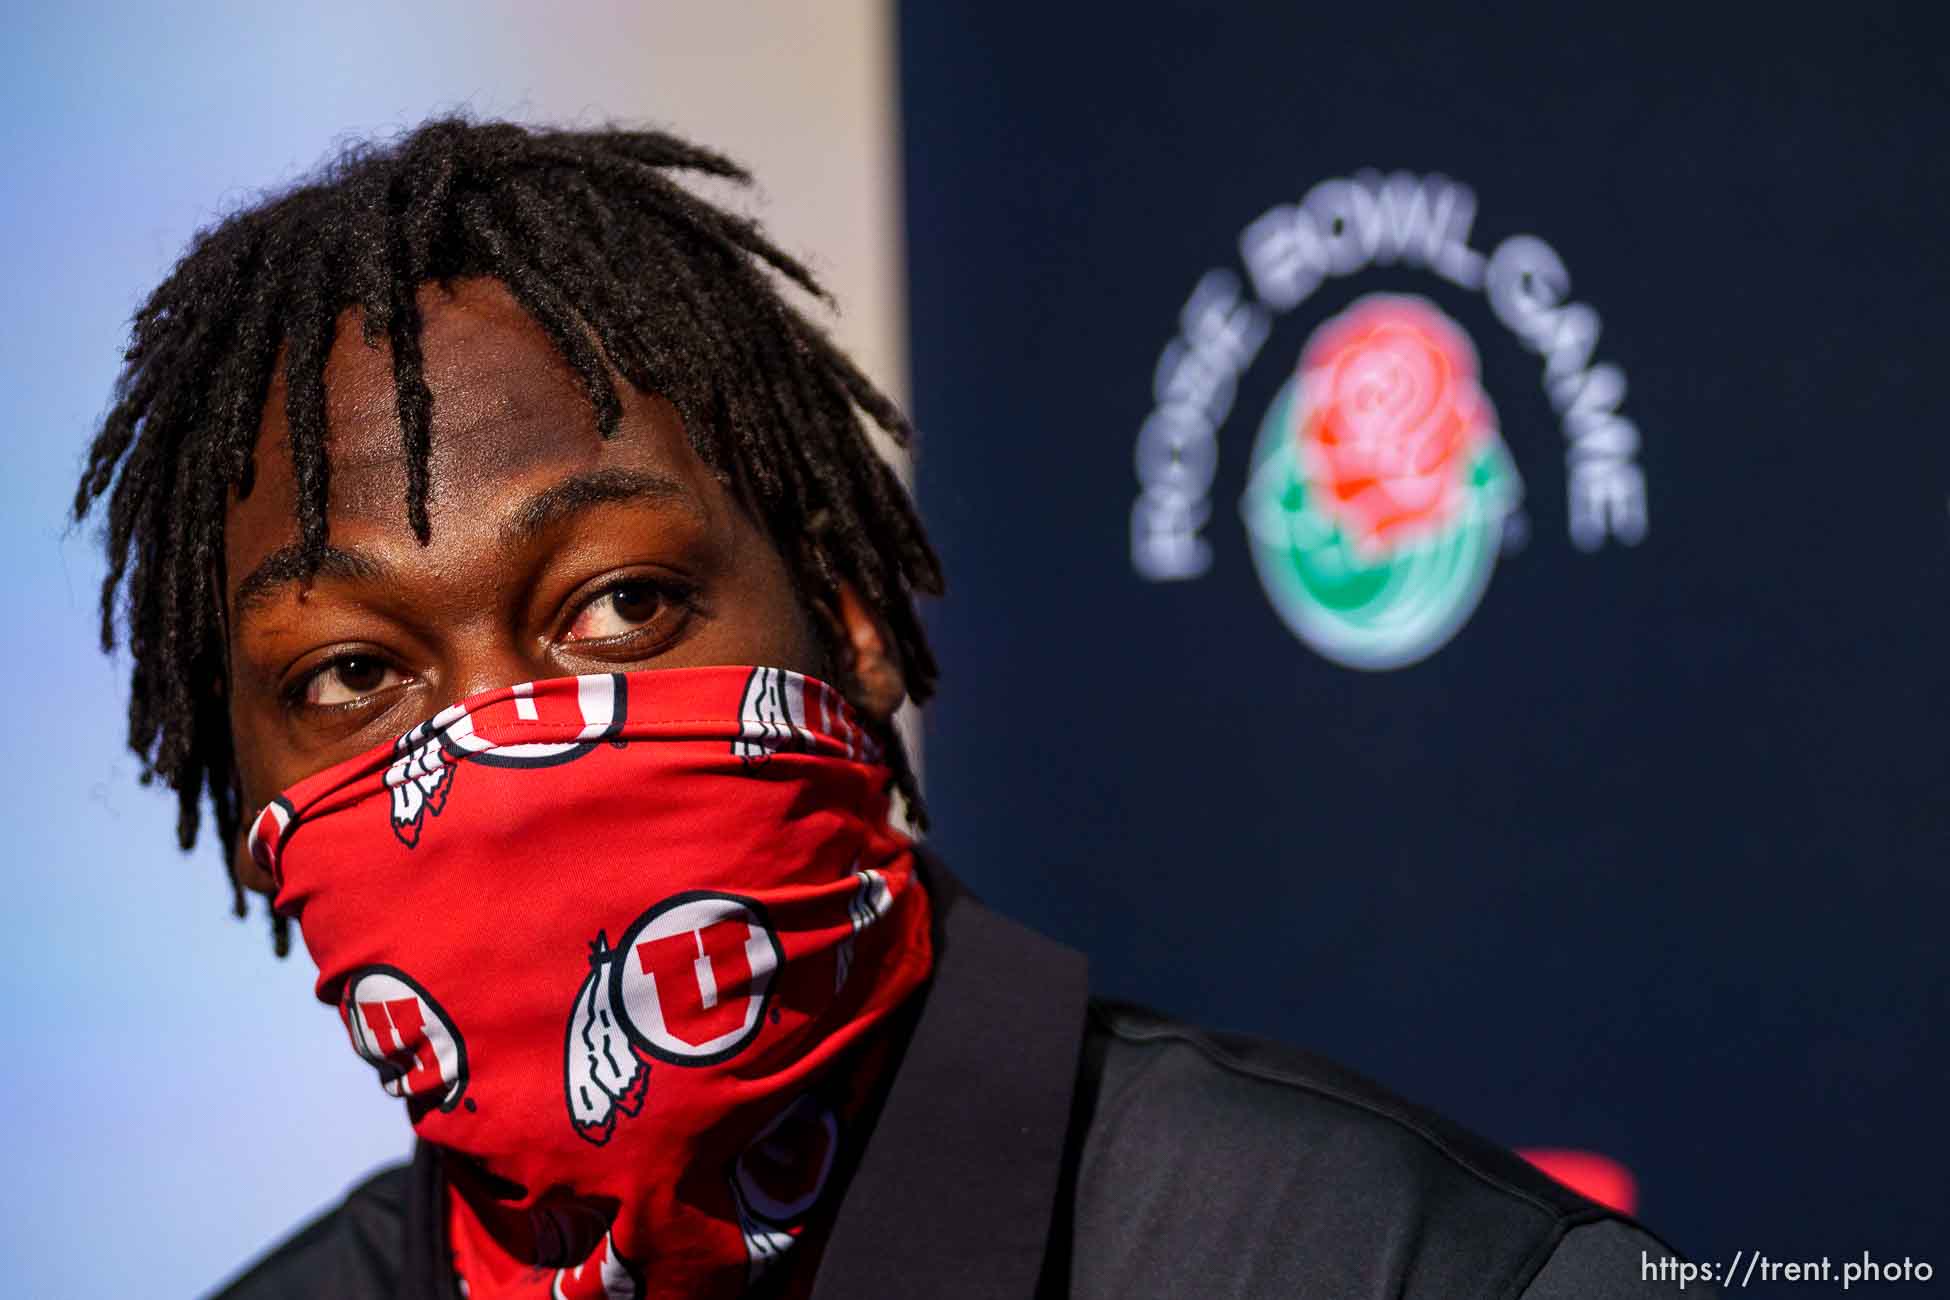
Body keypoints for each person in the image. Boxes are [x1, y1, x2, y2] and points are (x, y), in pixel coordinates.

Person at [75, 118, 1709, 1299]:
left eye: (619, 606)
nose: (497, 748)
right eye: (353, 676)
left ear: (851, 632)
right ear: (244, 811)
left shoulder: (1406, 1271)